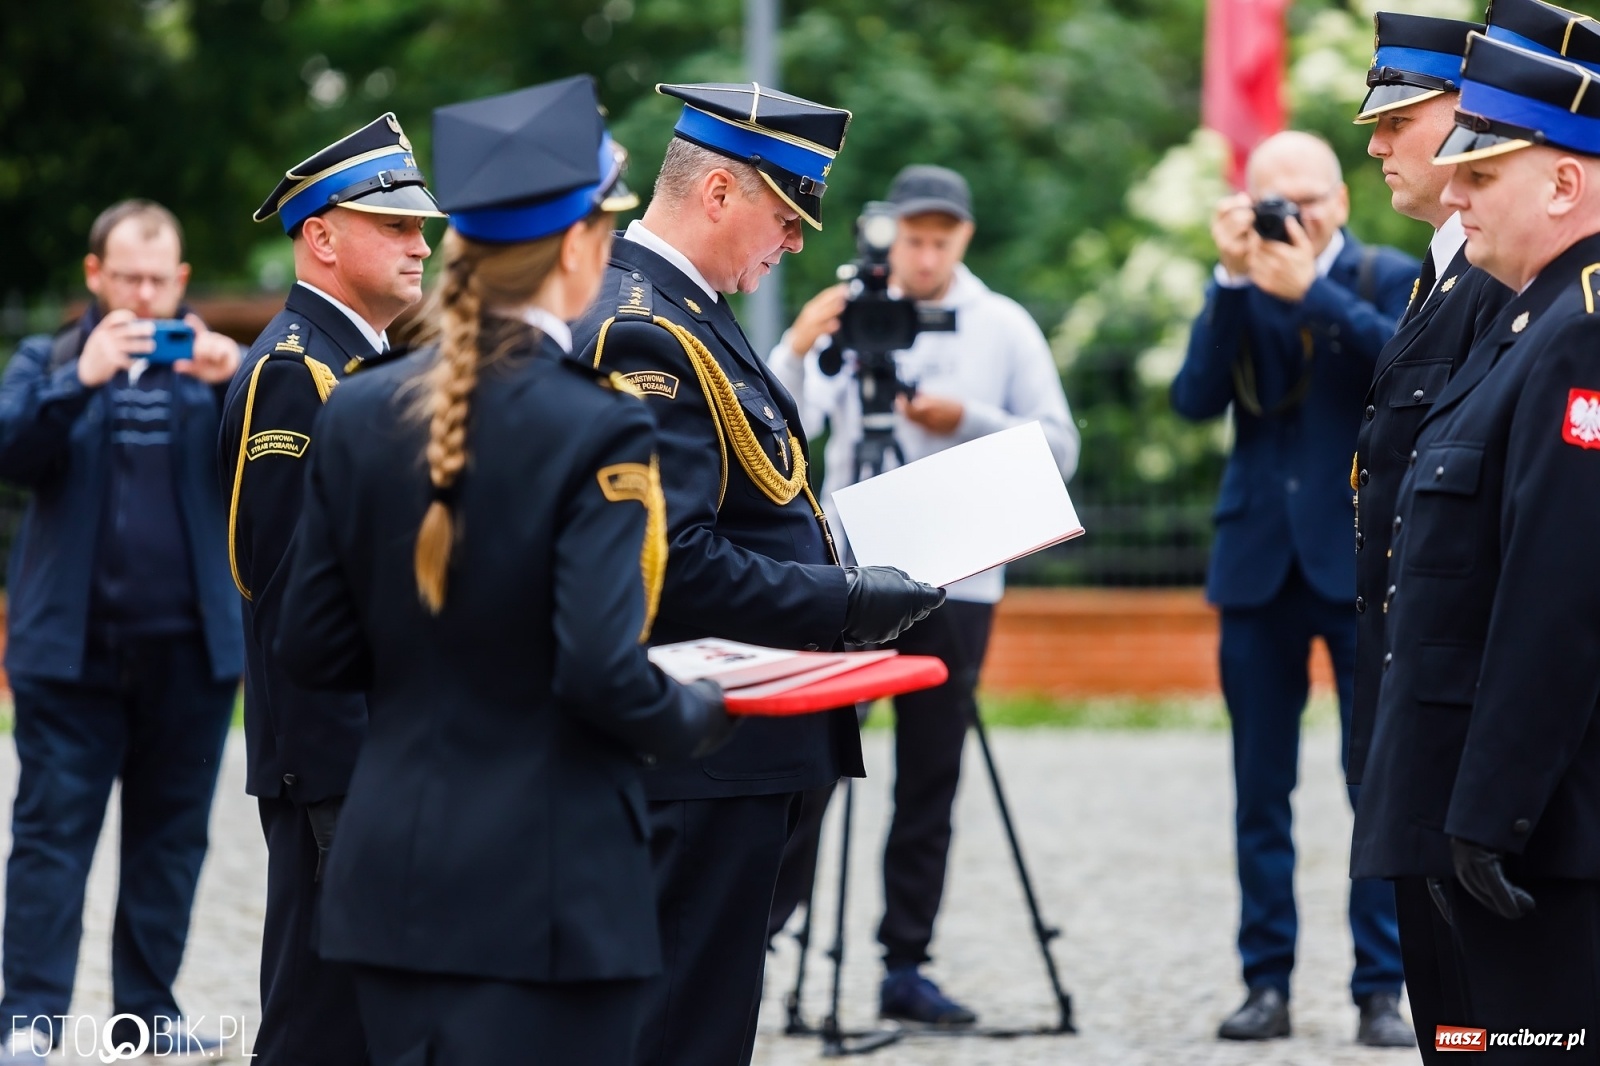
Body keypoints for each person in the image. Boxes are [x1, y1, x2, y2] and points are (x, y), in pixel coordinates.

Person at [273, 75, 733, 1066]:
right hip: (550, 894)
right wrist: (699, 712)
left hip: (392, 881)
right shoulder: (597, 423)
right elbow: (600, 671)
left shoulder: (358, 409)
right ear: (577, 246)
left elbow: (309, 647)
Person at [571, 82, 946, 1066]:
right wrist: (845, 600)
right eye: (783, 217)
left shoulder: (690, 312)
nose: (791, 243)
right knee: (683, 1026)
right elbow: (672, 562)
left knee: (704, 1011)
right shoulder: (645, 329)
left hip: (736, 739)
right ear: (718, 192)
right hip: (701, 743)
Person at [764, 164, 1079, 1027]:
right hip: (849, 573)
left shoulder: (1003, 325)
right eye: (914, 238)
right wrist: (798, 345)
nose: (927, 255)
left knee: (930, 776)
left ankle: (905, 963)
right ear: (889, 233)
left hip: (959, 580)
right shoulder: (846, 308)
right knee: (813, 761)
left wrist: (965, 417)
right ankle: (761, 937)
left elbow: (1060, 448)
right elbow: (774, 430)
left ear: (964, 238)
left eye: (942, 240)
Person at [1352, 29, 1600, 1057]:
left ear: (1564, 184)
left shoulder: (1577, 334)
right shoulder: (1526, 322)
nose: (1455, 195)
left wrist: (1492, 812)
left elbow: (1557, 600)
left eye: (1482, 174)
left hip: (1532, 830)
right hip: (1463, 802)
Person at [1170, 130, 1417, 1045]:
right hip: (1256, 564)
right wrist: (1232, 282)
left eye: (1308, 201)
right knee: (1258, 791)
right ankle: (1265, 983)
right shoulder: (1239, 284)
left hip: (1358, 562)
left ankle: (1380, 989)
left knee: (1375, 783)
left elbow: (1406, 374)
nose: (1294, 218)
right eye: (1275, 202)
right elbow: (1194, 399)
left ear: (1341, 202)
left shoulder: (1387, 276)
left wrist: (1311, 288)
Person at [217, 111, 444, 1065]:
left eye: (419, 226)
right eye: (393, 225)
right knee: (320, 1027)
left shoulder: (367, 365)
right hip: (341, 764)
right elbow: (284, 594)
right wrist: (343, 789)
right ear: (321, 236)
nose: (419, 244)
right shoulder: (295, 375)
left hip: (385, 754)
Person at [0, 200, 243, 1062]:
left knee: (169, 847)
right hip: (70, 659)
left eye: (158, 280)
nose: (143, 296)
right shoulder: (47, 359)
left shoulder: (217, 373)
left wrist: (236, 380)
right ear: (95, 275)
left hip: (192, 654)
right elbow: (10, 451)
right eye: (128, 278)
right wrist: (81, 379)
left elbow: (286, 464)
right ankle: (28, 1026)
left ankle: (147, 1021)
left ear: (181, 281)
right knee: (50, 844)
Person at [1347, 12, 1514, 1060]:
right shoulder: (1442, 270)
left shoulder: (1503, 280)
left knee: (1485, 1013)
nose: (1376, 144)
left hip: (1459, 700)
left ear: (1466, 115)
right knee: (1443, 1005)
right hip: (1406, 681)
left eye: (1397, 120)